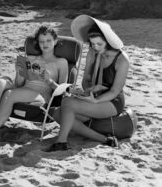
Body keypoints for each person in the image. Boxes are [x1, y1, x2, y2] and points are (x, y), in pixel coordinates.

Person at [0, 25, 69, 149]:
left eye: (48, 41)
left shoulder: (61, 62)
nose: (44, 44)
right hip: (23, 90)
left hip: (40, 95)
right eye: (41, 41)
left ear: (55, 41)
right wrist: (19, 73)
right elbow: (19, 85)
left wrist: (49, 80)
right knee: (0, 83)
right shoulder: (30, 59)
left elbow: (63, 90)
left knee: (10, 94)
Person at [48, 15, 129, 151]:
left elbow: (115, 91)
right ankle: (104, 139)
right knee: (57, 113)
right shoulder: (92, 53)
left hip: (112, 102)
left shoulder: (122, 60)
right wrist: (87, 91)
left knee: (67, 103)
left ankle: (61, 142)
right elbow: (85, 80)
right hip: (94, 97)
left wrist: (95, 101)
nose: (95, 47)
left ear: (108, 41)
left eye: (99, 44)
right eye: (92, 43)